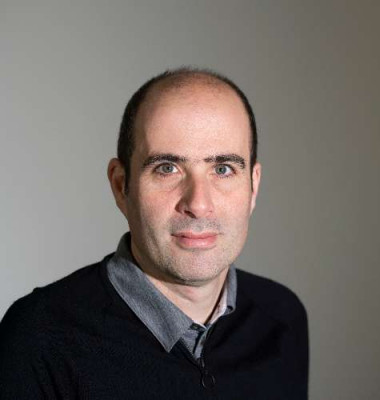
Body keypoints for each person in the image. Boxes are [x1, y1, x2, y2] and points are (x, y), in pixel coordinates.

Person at [0, 68, 308, 399]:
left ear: (253, 187)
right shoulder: (39, 338)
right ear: (121, 186)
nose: (198, 204)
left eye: (223, 169)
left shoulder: (282, 317)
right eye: (167, 168)